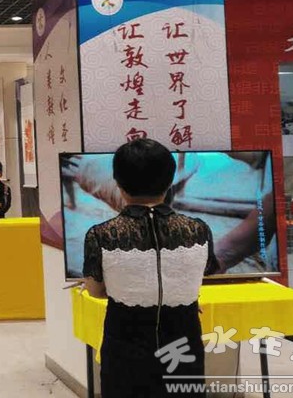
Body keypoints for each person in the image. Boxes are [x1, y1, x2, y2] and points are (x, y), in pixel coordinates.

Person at [83, 138, 218, 397]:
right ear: (170, 181)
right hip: (183, 343)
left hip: (126, 348)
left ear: (118, 183)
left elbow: (95, 291)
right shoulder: (199, 230)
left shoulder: (101, 235)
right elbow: (203, 273)